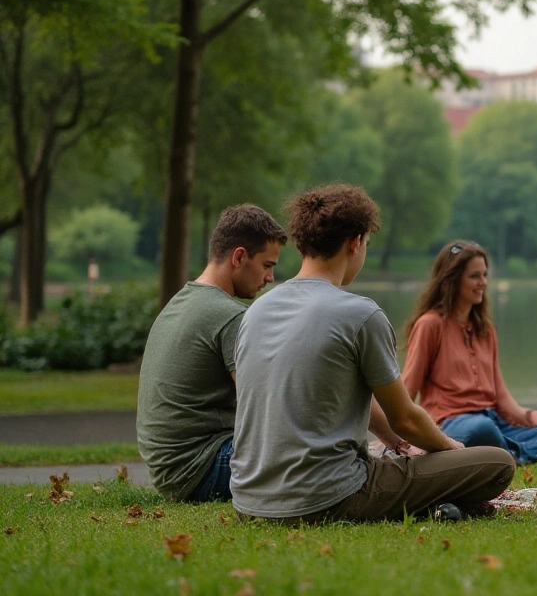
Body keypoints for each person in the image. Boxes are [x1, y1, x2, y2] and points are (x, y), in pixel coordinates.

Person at [231, 185, 514, 522]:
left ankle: (436, 507)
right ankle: (436, 507)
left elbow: (321, 394)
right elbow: (406, 417)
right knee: (497, 464)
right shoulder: (359, 313)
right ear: (356, 242)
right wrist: (450, 449)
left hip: (250, 503)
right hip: (328, 499)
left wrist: (389, 438)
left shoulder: (257, 311)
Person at [136, 204, 286, 502]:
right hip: (203, 468)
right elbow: (262, 407)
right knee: (318, 457)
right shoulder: (229, 315)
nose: (270, 278)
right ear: (239, 257)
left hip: (170, 472)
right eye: (267, 266)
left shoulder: (182, 300)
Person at [402, 240, 537, 465]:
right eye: (474, 276)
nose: (483, 282)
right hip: (452, 424)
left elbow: (500, 397)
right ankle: (524, 455)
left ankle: (515, 456)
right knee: (481, 428)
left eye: (485, 275)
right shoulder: (429, 325)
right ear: (452, 280)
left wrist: (527, 416)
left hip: (496, 425)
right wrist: (404, 437)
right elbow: (407, 391)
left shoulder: (485, 330)